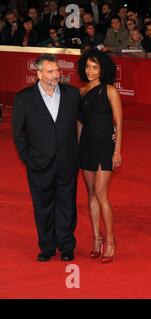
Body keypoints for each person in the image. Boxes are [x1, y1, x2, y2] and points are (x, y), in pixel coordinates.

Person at [12, 54, 81, 262]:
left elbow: (84, 122)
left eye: (57, 70)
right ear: (39, 73)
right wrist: (28, 158)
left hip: (67, 161)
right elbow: (19, 133)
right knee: (42, 206)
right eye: (50, 71)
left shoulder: (72, 94)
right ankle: (47, 246)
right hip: (39, 163)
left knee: (67, 204)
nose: (56, 75)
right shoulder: (24, 98)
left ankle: (66, 245)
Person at [77, 49, 123, 264]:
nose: (90, 70)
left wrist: (117, 151)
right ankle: (96, 238)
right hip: (86, 145)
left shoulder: (110, 90)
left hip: (106, 145)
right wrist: (77, 147)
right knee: (90, 194)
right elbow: (79, 123)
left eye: (95, 67)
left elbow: (119, 123)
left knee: (101, 193)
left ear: (103, 69)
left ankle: (110, 241)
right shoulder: (82, 92)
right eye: (87, 66)